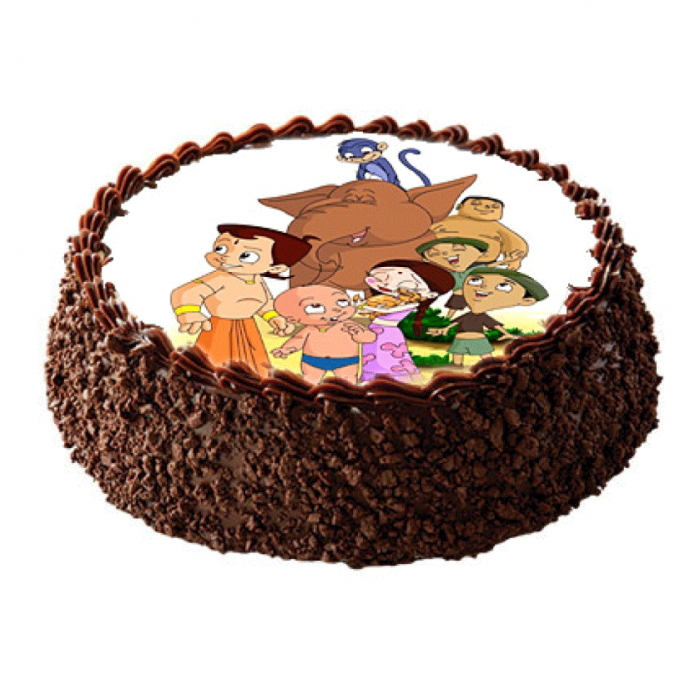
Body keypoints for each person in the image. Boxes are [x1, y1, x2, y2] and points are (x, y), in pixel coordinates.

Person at [170, 224, 313, 376]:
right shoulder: (219, 278)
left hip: (248, 329)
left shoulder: (258, 281)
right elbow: (186, 292)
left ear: (275, 268)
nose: (225, 256)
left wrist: (273, 317)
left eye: (246, 255)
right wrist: (190, 313)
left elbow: (264, 303)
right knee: (216, 365)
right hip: (220, 329)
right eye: (221, 248)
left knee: (254, 365)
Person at [357, 259, 454, 383]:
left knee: (389, 357)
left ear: (430, 294)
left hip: (388, 333)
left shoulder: (409, 303)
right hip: (374, 330)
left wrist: (369, 308)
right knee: (371, 355)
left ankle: (397, 379)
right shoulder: (387, 298)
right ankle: (371, 378)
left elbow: (390, 310)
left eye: (400, 274)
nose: (384, 281)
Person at [428, 267, 548, 366]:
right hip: (460, 339)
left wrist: (506, 333)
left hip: (478, 340)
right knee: (457, 358)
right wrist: (445, 329)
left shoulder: (483, 317)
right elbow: (455, 322)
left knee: (487, 359)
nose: (483, 287)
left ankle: (493, 370)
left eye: (503, 286)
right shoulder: (467, 315)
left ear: (526, 300)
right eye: (475, 281)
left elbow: (495, 325)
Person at [272, 285, 376, 385]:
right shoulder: (309, 329)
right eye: (315, 307)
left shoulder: (349, 325)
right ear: (293, 319)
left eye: (341, 302)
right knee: (310, 381)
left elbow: (370, 338)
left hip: (346, 361)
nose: (336, 309)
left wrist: (360, 334)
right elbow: (298, 340)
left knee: (348, 381)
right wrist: (286, 349)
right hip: (313, 361)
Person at [416, 237, 491, 318]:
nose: (445, 253)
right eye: (434, 253)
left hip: (474, 291)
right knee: (455, 304)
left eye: (458, 248)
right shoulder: (450, 275)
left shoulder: (477, 269)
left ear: (483, 253)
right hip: (459, 292)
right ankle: (448, 317)